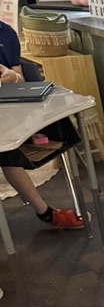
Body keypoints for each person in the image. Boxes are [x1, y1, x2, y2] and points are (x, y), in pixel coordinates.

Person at [0, 20, 84, 229]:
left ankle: (45, 212)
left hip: (6, 110)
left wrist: (11, 77)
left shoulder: (6, 34)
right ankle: (45, 212)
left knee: (8, 154)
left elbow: (20, 79)